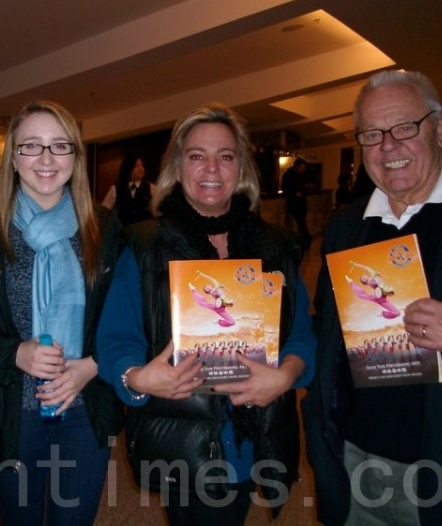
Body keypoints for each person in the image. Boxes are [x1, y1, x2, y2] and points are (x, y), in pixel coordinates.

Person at [302, 70, 442, 525]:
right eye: (372, 134)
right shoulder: (346, 224)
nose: (388, 147)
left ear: (438, 127)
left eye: (403, 128)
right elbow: (328, 332)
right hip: (357, 459)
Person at [95, 103, 316, 526]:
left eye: (226, 156)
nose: (212, 168)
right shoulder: (143, 244)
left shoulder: (276, 246)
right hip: (185, 438)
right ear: (178, 167)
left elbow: (303, 334)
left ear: (242, 168)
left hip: (259, 432)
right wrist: (138, 379)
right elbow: (115, 340)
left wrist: (287, 374)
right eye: (197, 156)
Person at [0, 101, 124, 525]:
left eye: (60, 146)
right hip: (14, 410)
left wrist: (92, 366)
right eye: (31, 146)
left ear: (76, 157)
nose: (46, 159)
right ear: (13, 157)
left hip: (84, 406)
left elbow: (123, 316)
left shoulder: (104, 226)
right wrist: (14, 353)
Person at [101, 152, 156, 226]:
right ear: (128, 168)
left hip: (145, 231)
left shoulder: (151, 187)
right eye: (136, 166)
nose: (141, 168)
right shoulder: (115, 189)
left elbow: (158, 210)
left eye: (142, 166)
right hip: (124, 232)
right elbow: (104, 211)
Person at [281, 157, 312, 248]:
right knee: (301, 222)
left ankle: (303, 240)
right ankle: (306, 238)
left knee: (301, 222)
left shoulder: (302, 175)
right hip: (293, 202)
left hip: (301, 202)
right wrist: (295, 192)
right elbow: (285, 188)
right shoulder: (288, 175)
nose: (302, 169)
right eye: (301, 167)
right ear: (296, 166)